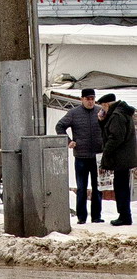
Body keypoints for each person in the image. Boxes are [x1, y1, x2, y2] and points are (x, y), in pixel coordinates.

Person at [55, 88, 104, 224]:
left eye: (92, 99)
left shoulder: (101, 111)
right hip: (81, 156)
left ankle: (96, 216)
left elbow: (109, 127)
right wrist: (68, 141)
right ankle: (81, 217)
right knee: (81, 188)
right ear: (82, 99)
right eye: (87, 99)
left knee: (98, 187)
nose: (90, 101)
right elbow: (60, 126)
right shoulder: (73, 113)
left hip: (98, 157)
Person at [98, 93, 136, 226]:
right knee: (122, 186)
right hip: (124, 157)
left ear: (107, 104)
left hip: (121, 158)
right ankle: (125, 215)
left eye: (103, 107)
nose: (103, 110)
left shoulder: (116, 116)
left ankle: (124, 216)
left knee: (121, 187)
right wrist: (102, 121)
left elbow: (115, 137)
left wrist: (106, 152)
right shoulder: (122, 113)